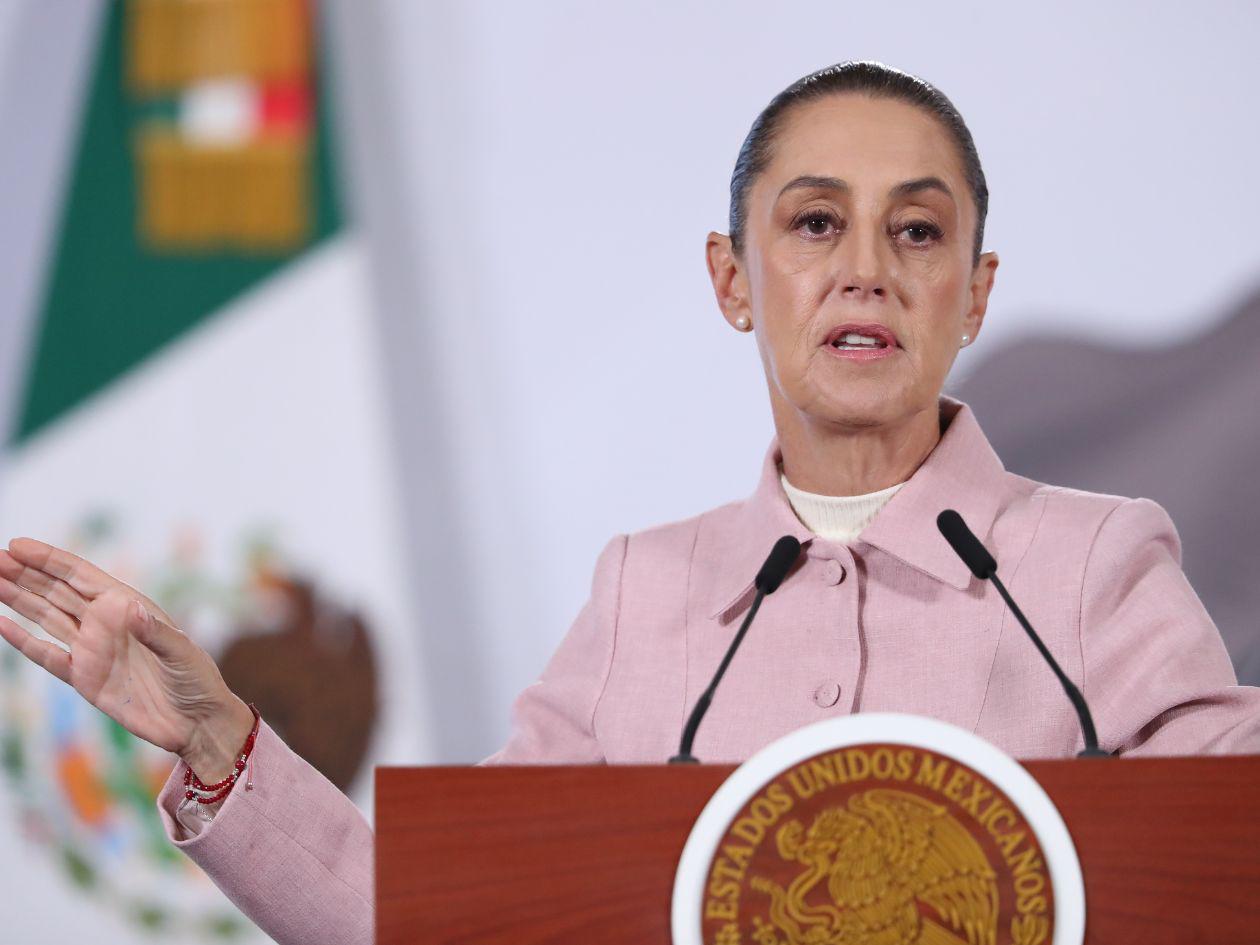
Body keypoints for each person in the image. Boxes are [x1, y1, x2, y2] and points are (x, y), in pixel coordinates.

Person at [2, 60, 1257, 945]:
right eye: (816, 224)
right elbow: (448, 921)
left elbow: (1234, 868)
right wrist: (221, 744)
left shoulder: (1096, 565)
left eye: (919, 234)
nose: (867, 271)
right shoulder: (644, 593)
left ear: (975, 294)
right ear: (733, 279)